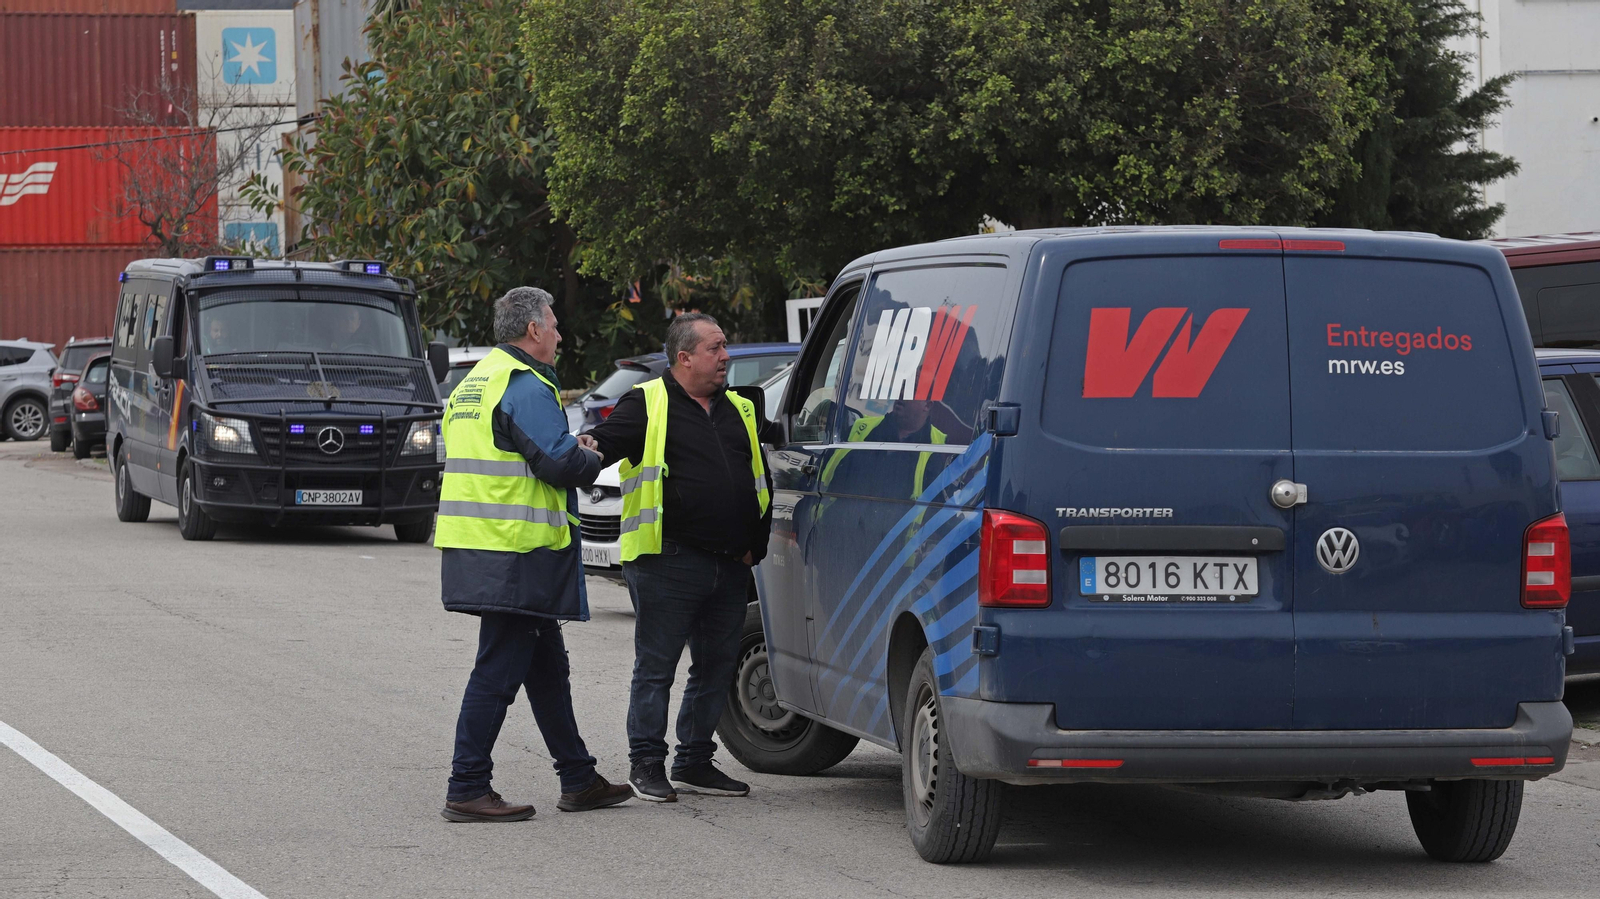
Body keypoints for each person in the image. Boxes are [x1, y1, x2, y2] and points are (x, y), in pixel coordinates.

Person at [434, 287, 633, 822]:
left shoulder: (477, 380)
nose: (561, 334)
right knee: (498, 670)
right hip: (517, 552)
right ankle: (466, 786)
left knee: (547, 667)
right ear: (532, 331)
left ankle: (578, 777)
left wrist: (569, 451)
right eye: (555, 323)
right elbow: (558, 464)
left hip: (483, 547)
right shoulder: (524, 384)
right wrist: (587, 457)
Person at [581, 312, 774, 802]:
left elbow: (760, 477)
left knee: (715, 667)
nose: (726, 356)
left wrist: (757, 542)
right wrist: (586, 446)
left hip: (730, 562)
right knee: (657, 667)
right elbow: (601, 444)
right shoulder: (647, 402)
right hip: (668, 562)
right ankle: (647, 764)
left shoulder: (740, 408)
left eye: (725, 345)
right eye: (716, 348)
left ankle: (694, 762)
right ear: (684, 358)